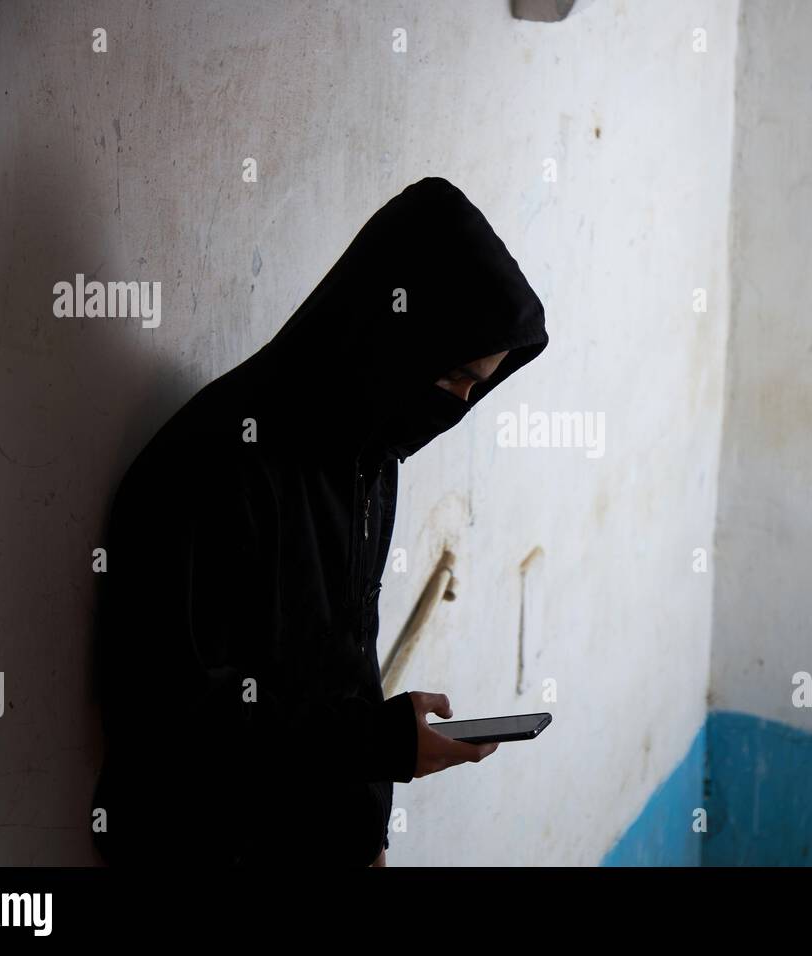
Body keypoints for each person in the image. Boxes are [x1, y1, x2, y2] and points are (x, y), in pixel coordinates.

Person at [91, 176, 549, 866]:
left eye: (477, 387)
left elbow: (340, 669)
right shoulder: (214, 465)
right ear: (390, 327)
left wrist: (366, 830)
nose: (458, 404)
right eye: (453, 374)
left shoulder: (370, 458)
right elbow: (168, 716)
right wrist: (379, 746)